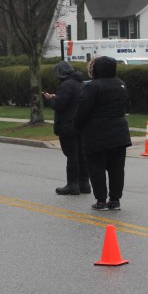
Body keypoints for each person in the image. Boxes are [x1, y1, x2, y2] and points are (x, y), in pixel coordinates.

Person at [74, 56, 131, 211]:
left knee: (96, 167)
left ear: (96, 69)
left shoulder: (93, 86)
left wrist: (77, 125)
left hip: (97, 133)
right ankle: (115, 199)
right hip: (119, 132)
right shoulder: (121, 84)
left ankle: (101, 200)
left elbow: (83, 109)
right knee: (117, 168)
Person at [43, 61, 90, 195]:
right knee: (81, 155)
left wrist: (50, 99)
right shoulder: (80, 83)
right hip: (80, 124)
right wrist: (56, 97)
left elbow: (60, 105)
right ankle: (84, 184)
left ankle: (72, 184)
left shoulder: (67, 84)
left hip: (68, 125)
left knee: (72, 156)